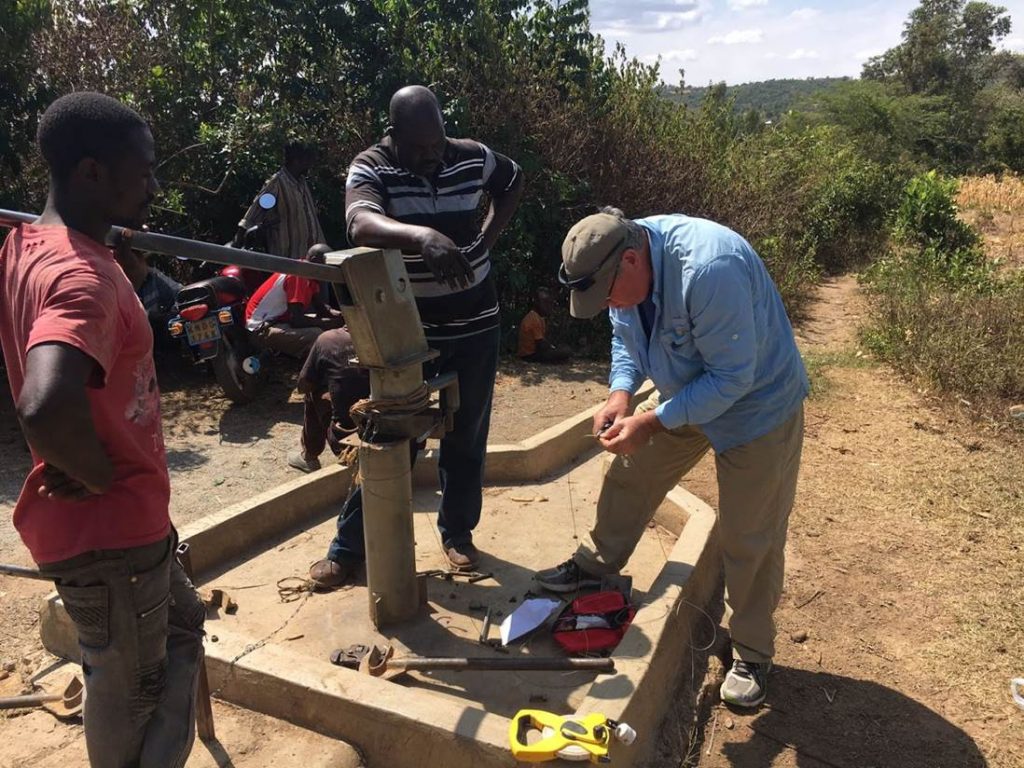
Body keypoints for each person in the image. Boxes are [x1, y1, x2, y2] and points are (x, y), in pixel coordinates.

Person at [0, 92, 205, 767]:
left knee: (179, 632)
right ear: (91, 172)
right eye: (142, 171)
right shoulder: (80, 275)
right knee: (130, 696)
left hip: (118, 527)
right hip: (111, 533)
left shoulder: (33, 243)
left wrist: (124, 270)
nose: (154, 186)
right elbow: (43, 404)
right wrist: (94, 471)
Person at [535, 208, 808, 710]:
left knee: (750, 534)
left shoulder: (710, 268)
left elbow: (731, 379)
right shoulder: (620, 258)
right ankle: (595, 566)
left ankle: (751, 652)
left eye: (609, 293)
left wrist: (651, 422)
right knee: (629, 472)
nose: (608, 304)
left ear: (634, 260)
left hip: (756, 406)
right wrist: (620, 394)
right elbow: (625, 337)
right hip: (688, 389)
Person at [307, 84, 523, 586]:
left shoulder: (469, 156)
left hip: (476, 321)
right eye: (421, 148)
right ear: (394, 135)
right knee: (392, 432)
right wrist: (420, 236)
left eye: (438, 144)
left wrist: (486, 240)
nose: (433, 157)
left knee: (467, 433)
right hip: (409, 328)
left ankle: (458, 534)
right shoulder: (372, 165)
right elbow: (359, 223)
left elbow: (514, 180)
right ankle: (349, 548)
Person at [287, 327, 370, 473]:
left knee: (314, 389)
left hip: (349, 438)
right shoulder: (397, 338)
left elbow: (303, 385)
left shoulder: (328, 340)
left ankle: (309, 456)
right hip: (398, 435)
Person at [245, 243, 343, 359]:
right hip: (261, 329)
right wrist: (328, 323)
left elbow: (321, 308)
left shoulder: (311, 275)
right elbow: (297, 320)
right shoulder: (298, 274)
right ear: (313, 260)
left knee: (330, 328)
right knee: (318, 335)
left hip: (280, 321)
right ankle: (314, 370)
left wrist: (343, 317)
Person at [232, 139, 326, 259]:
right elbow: (253, 215)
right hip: (288, 261)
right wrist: (235, 245)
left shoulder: (302, 183)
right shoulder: (277, 185)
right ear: (296, 160)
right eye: (307, 159)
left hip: (308, 260)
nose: (310, 164)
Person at [517, 287, 570, 363]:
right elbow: (540, 345)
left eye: (549, 303)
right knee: (565, 351)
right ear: (537, 303)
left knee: (563, 349)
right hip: (530, 355)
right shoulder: (534, 318)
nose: (548, 306)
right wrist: (553, 348)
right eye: (545, 303)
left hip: (531, 354)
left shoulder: (538, 317)